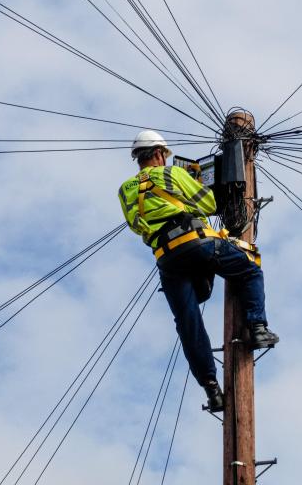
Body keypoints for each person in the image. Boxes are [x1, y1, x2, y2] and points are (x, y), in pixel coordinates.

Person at [118, 130, 279, 412]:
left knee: (188, 322)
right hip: (196, 242)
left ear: (138, 159)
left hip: (166, 259)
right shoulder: (173, 175)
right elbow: (209, 204)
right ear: (159, 154)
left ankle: (212, 389)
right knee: (250, 267)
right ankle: (258, 328)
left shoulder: (125, 190)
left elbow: (136, 226)